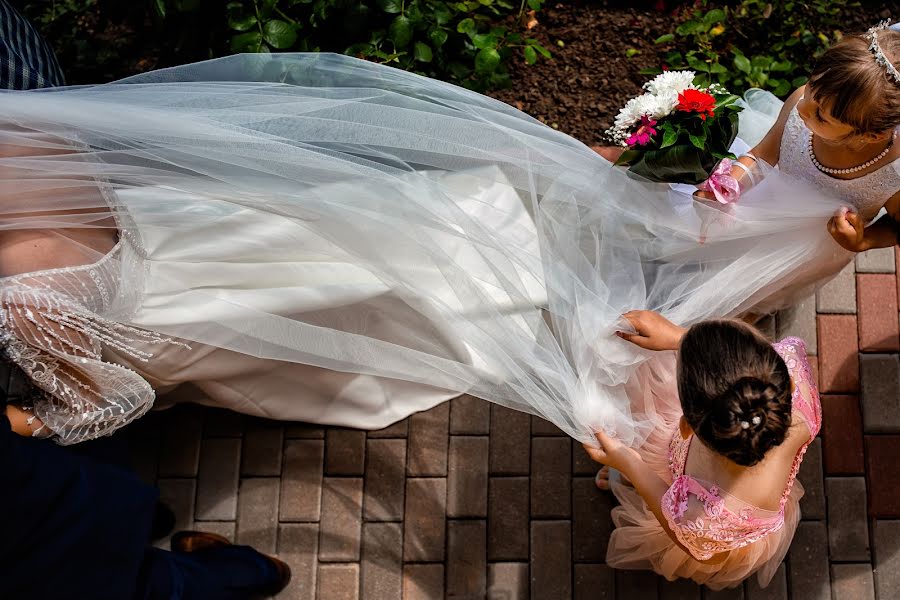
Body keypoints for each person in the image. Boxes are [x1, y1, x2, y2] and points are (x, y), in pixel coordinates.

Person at [583, 310, 819, 589]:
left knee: (635, 455)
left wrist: (629, 464)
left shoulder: (700, 517)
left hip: (689, 493)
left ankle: (620, 478)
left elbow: (685, 537)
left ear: (685, 428)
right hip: (745, 497)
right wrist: (679, 337)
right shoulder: (796, 382)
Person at [0, 393, 291, 599]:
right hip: (47, 544)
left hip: (47, 509)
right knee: (162, 584)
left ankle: (153, 523)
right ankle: (259, 571)